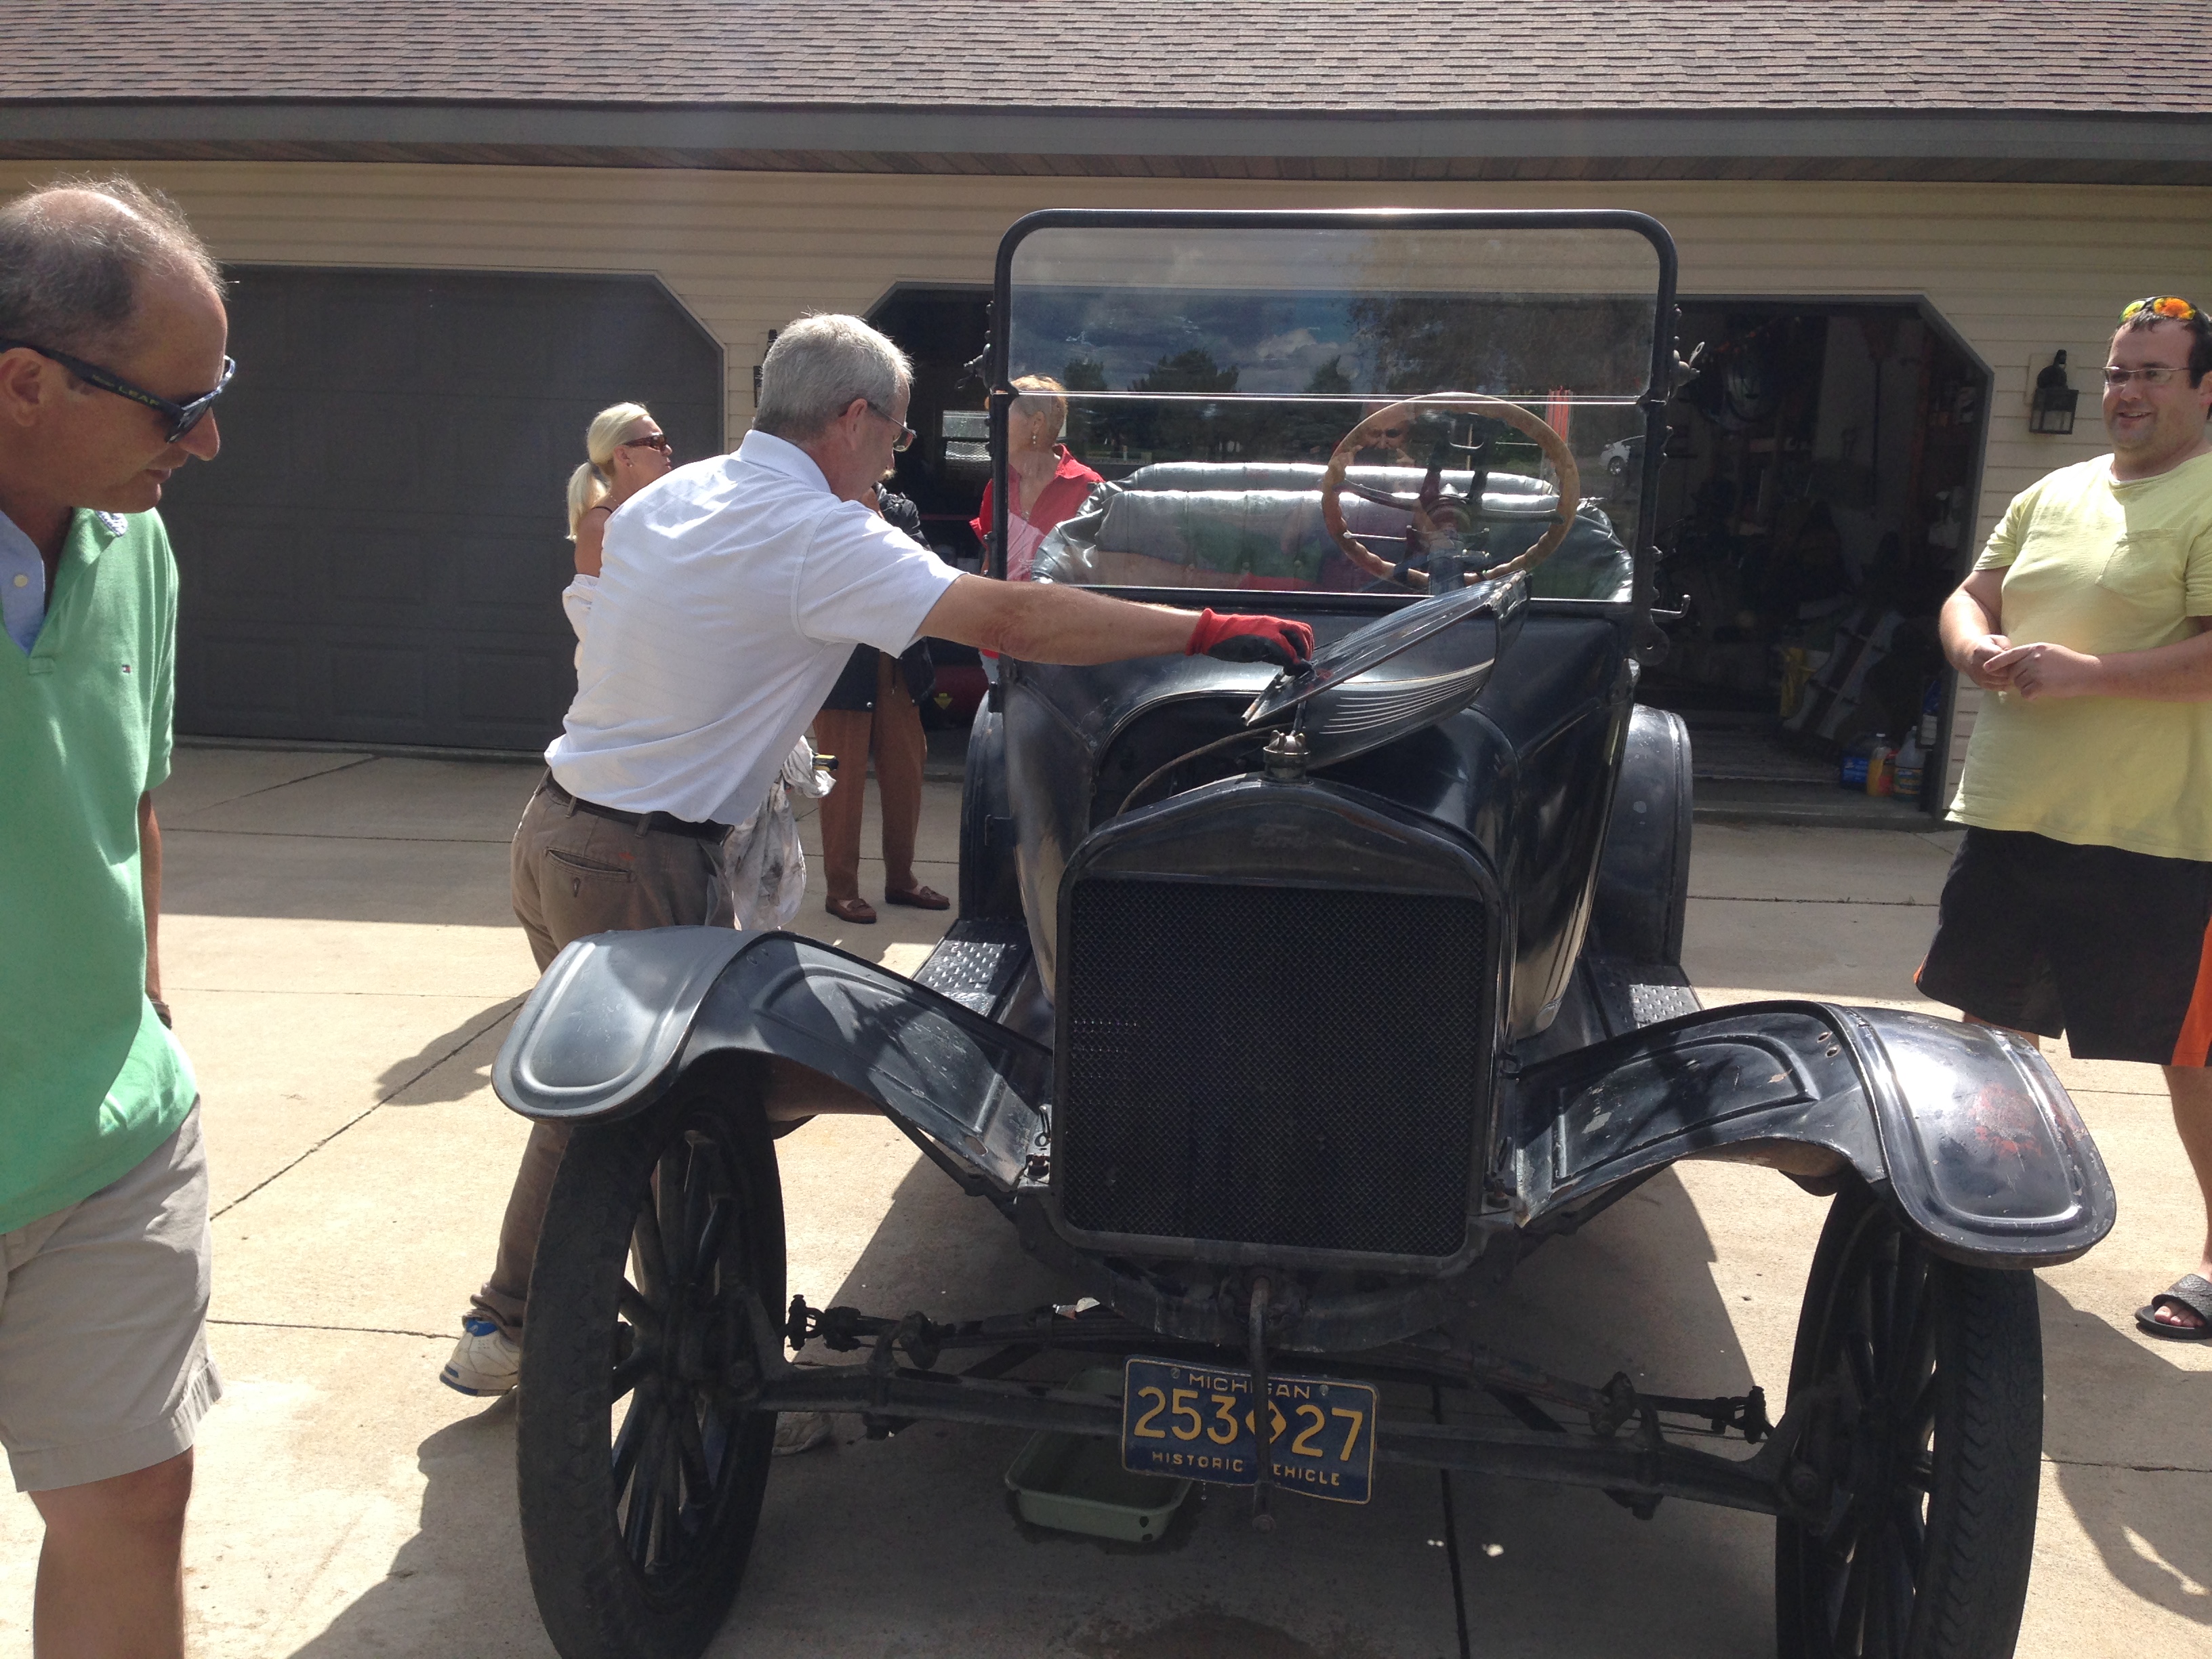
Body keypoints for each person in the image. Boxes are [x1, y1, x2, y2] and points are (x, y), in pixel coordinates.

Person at [441, 312, 1311, 1404]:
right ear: (853, 418)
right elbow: (1013, 622)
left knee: (612, 1110)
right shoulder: (815, 535)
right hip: (641, 858)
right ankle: (639, 1352)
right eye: (896, 437)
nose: (895, 459)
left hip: (558, 828)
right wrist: (1206, 630)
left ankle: (525, 1323)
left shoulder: (675, 494)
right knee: (657, 1120)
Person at [0, 177, 230, 1658]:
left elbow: (132, 793)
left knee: (136, 1499)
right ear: (24, 383)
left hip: (109, 1146)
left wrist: (144, 1004)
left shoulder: (132, 542)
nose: (204, 441)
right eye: (176, 405)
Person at [1919, 294, 2212, 1338]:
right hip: (2017, 815)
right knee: (1991, 1036)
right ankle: (1990, 1224)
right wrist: (1972, 646)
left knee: (2194, 1063)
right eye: (2118, 371)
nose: (2125, 392)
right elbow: (1973, 593)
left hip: (2159, 836)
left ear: (2206, 389)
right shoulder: (2055, 491)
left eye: (2153, 374)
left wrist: (2089, 673)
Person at [814, 485, 941, 924]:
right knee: (839, 782)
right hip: (839, 670)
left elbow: (924, 572)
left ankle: (901, 879)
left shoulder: (899, 509)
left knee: (906, 774)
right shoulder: (817, 506)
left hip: (899, 665)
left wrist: (876, 520)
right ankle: (841, 889)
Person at [560, 401, 670, 659]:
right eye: (656, 442)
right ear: (624, 456)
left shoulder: (660, 507)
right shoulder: (599, 527)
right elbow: (590, 620)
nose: (667, 449)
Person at [969, 374, 1104, 581]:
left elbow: (1098, 570)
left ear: (1036, 423)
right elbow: (990, 563)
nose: (991, 423)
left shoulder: (1088, 487)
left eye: (1002, 414)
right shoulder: (999, 485)